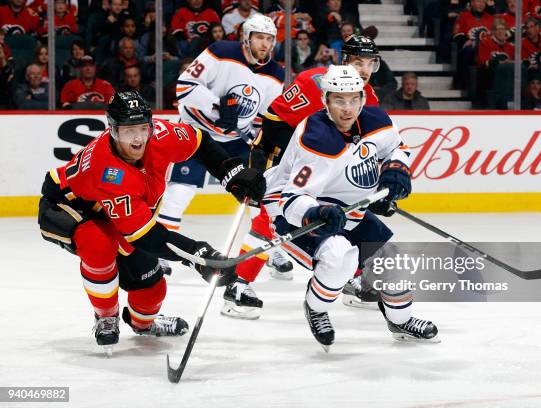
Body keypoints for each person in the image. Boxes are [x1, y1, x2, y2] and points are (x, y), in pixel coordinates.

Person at [37, 91, 265, 352]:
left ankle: (143, 324)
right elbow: (145, 236)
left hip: (120, 210)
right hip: (68, 205)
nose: (137, 139)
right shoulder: (107, 171)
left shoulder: (162, 135)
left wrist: (232, 173)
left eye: (143, 129)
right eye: (128, 131)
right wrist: (198, 254)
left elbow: (200, 142)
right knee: (99, 245)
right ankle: (106, 316)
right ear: (112, 130)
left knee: (152, 288)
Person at [263, 65, 439, 349]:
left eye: (354, 99)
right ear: (325, 100)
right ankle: (317, 308)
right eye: (339, 100)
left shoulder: (377, 120)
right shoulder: (316, 137)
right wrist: (315, 212)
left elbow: (398, 148)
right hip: (295, 211)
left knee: (391, 259)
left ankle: (401, 320)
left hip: (350, 207)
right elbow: (291, 198)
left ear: (363, 98)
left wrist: (395, 170)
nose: (348, 108)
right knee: (339, 257)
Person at [223, 35, 384, 320]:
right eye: (359, 61)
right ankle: (238, 284)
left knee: (348, 216)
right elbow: (274, 119)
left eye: (371, 63)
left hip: (335, 172)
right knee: (268, 220)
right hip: (295, 164)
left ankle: (349, 277)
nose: (365, 69)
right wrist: (261, 161)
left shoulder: (368, 96)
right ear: (344, 59)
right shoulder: (314, 81)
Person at [157, 14, 285, 273]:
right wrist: (217, 105)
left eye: (269, 39)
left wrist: (260, 144)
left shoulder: (275, 73)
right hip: (196, 133)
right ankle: (160, 250)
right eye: (259, 37)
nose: (264, 43)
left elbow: (263, 116)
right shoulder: (220, 52)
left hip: (235, 140)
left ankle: (266, 250)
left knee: (259, 195)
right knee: (179, 193)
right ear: (246, 38)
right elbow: (184, 86)